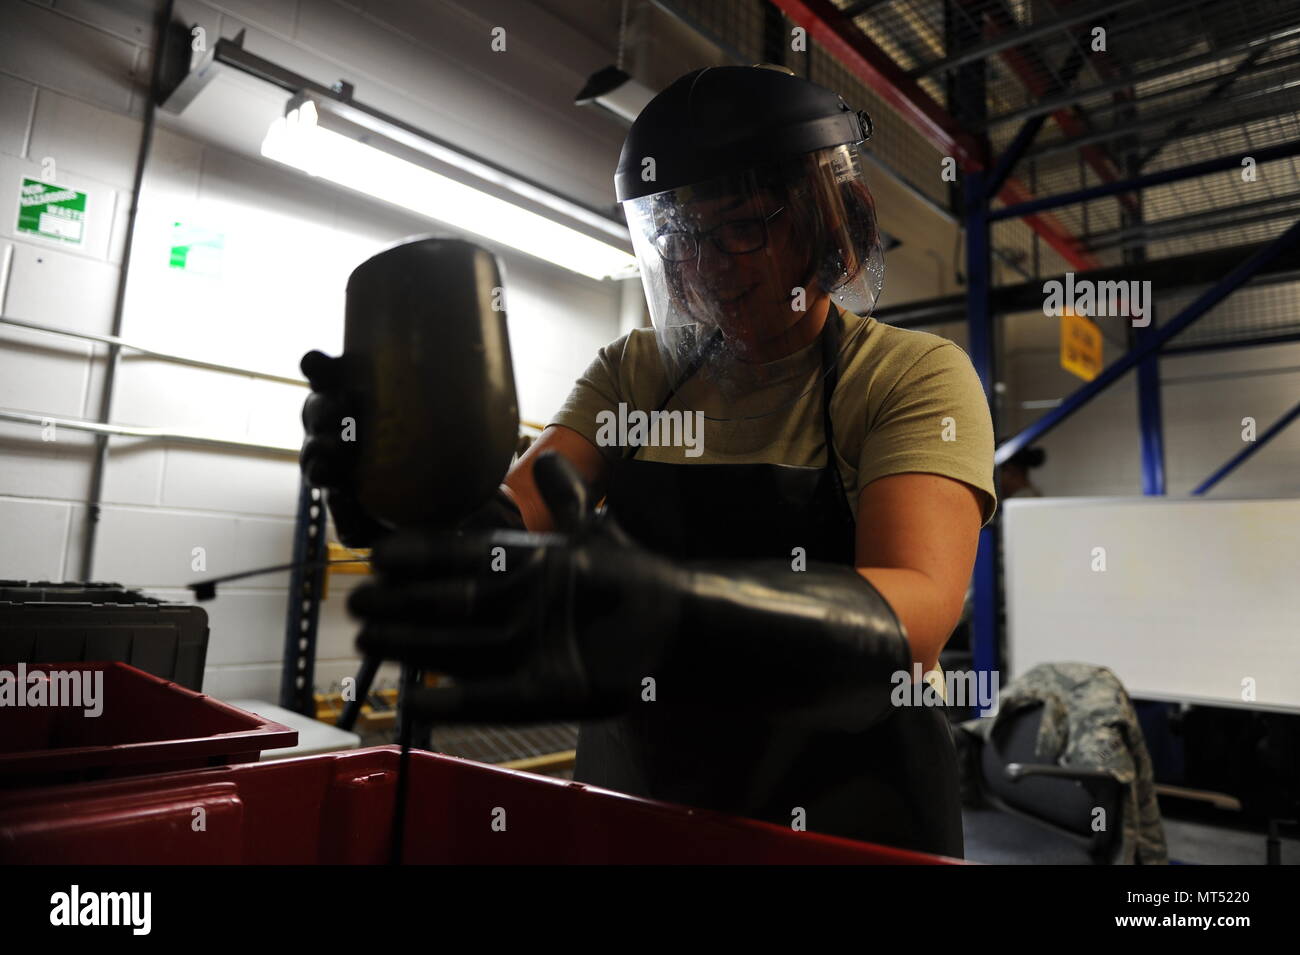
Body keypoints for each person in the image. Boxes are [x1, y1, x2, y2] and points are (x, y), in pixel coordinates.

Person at [301, 65, 996, 857]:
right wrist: (394, 493)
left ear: (824, 214)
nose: (709, 266)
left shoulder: (907, 373)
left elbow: (915, 615)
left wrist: (679, 610)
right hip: (646, 799)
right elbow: (500, 531)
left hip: (853, 810)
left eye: (740, 225)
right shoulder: (636, 372)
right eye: (683, 237)